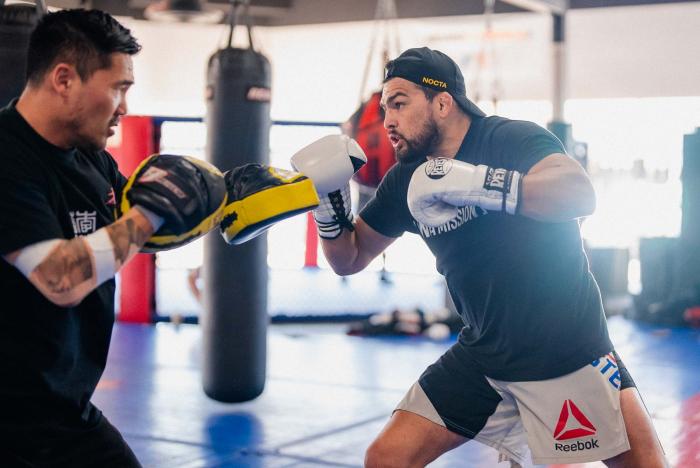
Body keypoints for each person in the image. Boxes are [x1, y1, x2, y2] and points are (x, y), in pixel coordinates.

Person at [291, 48, 667, 467]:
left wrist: (479, 184)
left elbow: (580, 194)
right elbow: (350, 257)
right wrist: (328, 209)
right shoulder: (405, 180)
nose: (388, 122)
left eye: (399, 104)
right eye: (384, 109)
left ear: (442, 102)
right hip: (485, 357)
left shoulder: (508, 139)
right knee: (386, 458)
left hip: (568, 351)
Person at [0, 8, 316, 467]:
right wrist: (154, 210)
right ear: (64, 79)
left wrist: (221, 201)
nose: (125, 107)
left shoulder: (91, 160)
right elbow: (59, 278)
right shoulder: (9, 156)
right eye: (117, 88)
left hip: (63, 411)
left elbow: (132, 235)